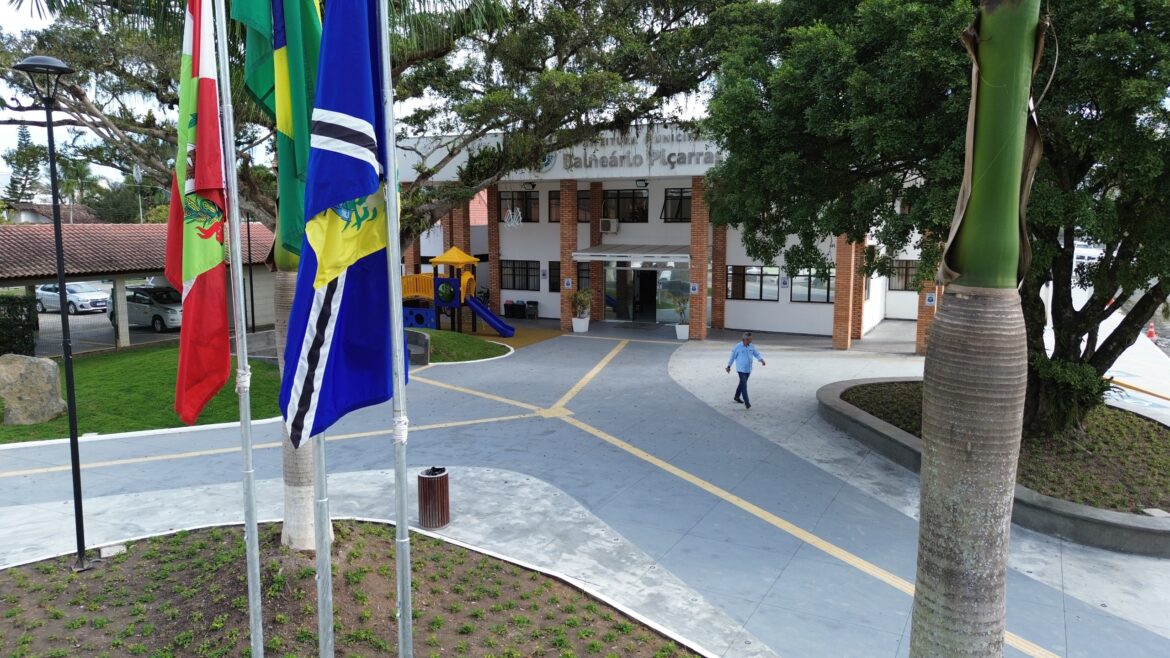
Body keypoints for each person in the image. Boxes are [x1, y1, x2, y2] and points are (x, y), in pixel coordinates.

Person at [726, 332, 765, 409]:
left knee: (742, 383)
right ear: (745, 339)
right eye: (750, 339)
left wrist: (761, 360)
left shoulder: (751, 346)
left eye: (751, 339)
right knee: (744, 386)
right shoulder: (737, 347)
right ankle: (747, 403)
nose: (751, 340)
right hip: (741, 369)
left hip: (748, 369)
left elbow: (756, 354)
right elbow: (732, 357)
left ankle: (736, 397)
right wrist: (728, 366)